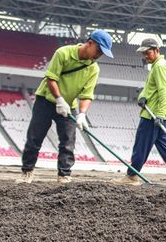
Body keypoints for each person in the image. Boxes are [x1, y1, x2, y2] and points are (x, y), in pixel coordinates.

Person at [16, 30, 113, 184]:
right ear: (90, 43)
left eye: (102, 53)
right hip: (46, 101)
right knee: (34, 138)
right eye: (99, 50)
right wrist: (59, 99)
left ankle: (64, 175)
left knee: (68, 142)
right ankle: (27, 172)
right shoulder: (63, 53)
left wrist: (82, 114)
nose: (99, 55)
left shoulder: (94, 68)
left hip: (69, 106)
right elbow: (51, 78)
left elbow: (87, 95)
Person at [111, 37, 166, 186]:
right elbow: (152, 89)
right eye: (143, 53)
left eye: (148, 53)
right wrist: (144, 96)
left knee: (141, 145)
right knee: (165, 145)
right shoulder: (157, 65)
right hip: (159, 114)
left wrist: (159, 114)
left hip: (153, 116)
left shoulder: (160, 66)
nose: (145, 56)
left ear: (157, 50)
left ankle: (132, 176)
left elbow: (164, 91)